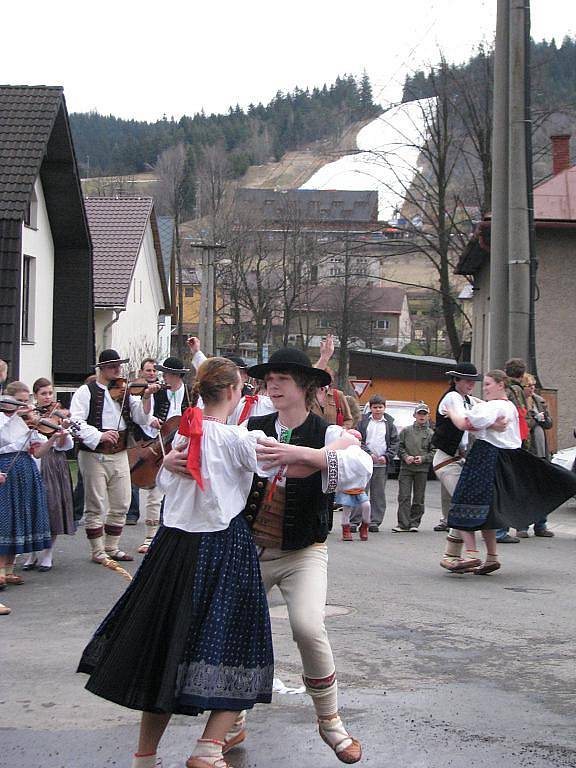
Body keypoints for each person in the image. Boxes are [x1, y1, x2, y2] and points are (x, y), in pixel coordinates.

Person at [78, 356, 328, 768]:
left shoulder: (182, 438)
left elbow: (158, 476)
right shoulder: (238, 440)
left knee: (165, 647)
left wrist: (170, 467)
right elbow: (289, 458)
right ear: (233, 392)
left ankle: (145, 756)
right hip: (222, 547)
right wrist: (336, 447)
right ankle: (209, 747)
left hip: (171, 551)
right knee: (240, 646)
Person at [225, 347, 372, 764]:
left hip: (304, 552)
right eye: (269, 377)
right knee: (236, 632)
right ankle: (231, 721)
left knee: (308, 627)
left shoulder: (325, 432)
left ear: (306, 386)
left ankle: (330, 722)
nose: (271, 383)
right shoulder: (251, 425)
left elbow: (359, 467)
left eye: (282, 377)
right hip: (251, 549)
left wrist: (304, 456)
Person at [443, 370, 576, 574]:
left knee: (462, 502)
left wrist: (451, 410)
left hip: (485, 456)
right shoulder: (510, 407)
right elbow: (486, 425)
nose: (484, 388)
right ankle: (492, 557)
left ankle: (471, 554)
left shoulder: (494, 406)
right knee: (489, 508)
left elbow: (465, 423)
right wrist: (491, 423)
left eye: (488, 384)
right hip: (504, 458)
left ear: (501, 385)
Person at [70, 349, 159, 564]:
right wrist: (99, 435)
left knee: (122, 501)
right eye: (112, 366)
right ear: (102, 369)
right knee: (96, 503)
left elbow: (141, 417)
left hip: (120, 450)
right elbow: (75, 421)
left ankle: (112, 546)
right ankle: (97, 550)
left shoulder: (126, 391)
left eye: (119, 366)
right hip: (94, 453)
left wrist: (146, 397)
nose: (117, 370)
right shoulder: (86, 391)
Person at [0, 389, 66, 593]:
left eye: (25, 401)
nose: (24, 407)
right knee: (5, 518)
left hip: (26, 470)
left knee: (19, 517)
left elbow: (37, 453)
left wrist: (54, 438)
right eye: (18, 402)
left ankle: (9, 569)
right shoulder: (3, 421)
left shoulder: (29, 424)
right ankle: (0, 570)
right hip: (5, 469)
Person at [133, 355, 194, 553]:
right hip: (159, 443)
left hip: (182, 447)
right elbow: (144, 415)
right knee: (155, 492)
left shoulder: (191, 394)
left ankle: (177, 536)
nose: (163, 377)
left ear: (176, 375)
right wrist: (148, 400)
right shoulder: (157, 393)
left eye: (167, 374)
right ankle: (150, 537)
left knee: (181, 492)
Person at [431, 362, 483, 565]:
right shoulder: (452, 397)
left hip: (458, 460)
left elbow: (484, 408)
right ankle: (467, 553)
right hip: (446, 460)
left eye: (473, 381)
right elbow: (462, 420)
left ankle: (451, 554)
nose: (471, 384)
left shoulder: (468, 399)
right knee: (462, 503)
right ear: (456, 380)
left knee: (460, 504)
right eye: (466, 380)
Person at [21, 378, 75, 571]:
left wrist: (64, 431)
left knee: (52, 506)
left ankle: (48, 553)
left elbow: (63, 446)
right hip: (33, 460)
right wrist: (31, 420)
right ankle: (32, 553)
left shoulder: (59, 414)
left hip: (54, 462)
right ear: (35, 395)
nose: (48, 397)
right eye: (43, 394)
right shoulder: (27, 414)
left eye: (50, 393)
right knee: (32, 508)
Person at [353, 394, 399, 532]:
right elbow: (357, 439)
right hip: (364, 463)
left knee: (378, 494)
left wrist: (387, 456)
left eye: (380, 407)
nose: (378, 410)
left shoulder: (389, 424)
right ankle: (355, 521)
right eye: (375, 407)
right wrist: (368, 453)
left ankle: (374, 521)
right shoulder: (362, 422)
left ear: (384, 408)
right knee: (360, 491)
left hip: (382, 464)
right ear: (370, 408)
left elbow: (395, 442)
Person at [517, 373, 555, 538]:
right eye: (529, 386)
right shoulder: (519, 403)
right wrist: (534, 419)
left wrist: (544, 418)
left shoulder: (539, 401)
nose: (532, 388)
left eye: (533, 386)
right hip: (527, 450)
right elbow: (522, 425)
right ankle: (522, 526)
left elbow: (549, 423)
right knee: (524, 490)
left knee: (542, 490)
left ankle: (541, 525)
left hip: (541, 451)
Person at [393, 402, 435, 532]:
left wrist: (423, 458)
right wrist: (405, 457)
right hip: (406, 468)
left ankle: (414, 523)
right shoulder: (406, 431)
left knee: (419, 497)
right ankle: (403, 524)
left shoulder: (431, 433)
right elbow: (399, 447)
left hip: (422, 469)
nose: (422, 417)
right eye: (419, 414)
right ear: (414, 415)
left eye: (424, 414)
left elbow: (434, 451)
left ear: (428, 416)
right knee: (404, 496)